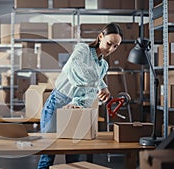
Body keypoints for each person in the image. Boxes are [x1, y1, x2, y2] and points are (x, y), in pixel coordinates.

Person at [37, 23, 123, 169]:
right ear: (100, 36)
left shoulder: (103, 66)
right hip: (56, 105)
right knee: (48, 155)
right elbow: (78, 69)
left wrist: (79, 103)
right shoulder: (82, 50)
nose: (111, 49)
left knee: (73, 156)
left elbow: (88, 93)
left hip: (75, 109)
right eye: (109, 43)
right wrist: (101, 85)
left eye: (115, 46)